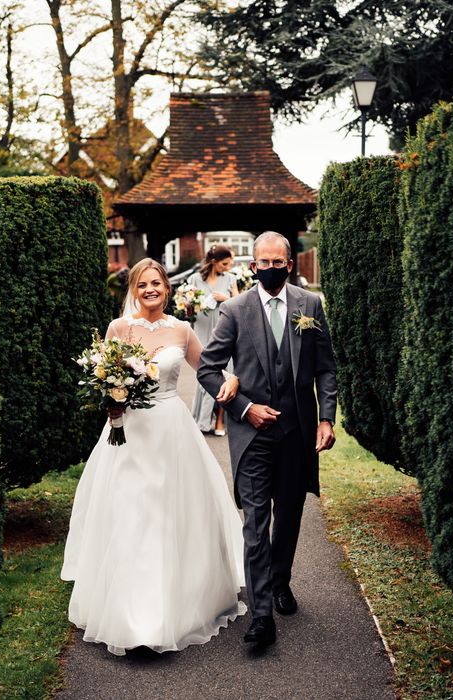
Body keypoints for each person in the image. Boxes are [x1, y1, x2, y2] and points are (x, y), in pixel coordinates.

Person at [61, 258, 246, 656]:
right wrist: (110, 402)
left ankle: (171, 607)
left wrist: (231, 378)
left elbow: (207, 367)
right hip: (127, 433)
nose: (150, 290)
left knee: (169, 514)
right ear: (133, 288)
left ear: (167, 288)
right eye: (142, 284)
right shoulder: (119, 328)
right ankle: (130, 613)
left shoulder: (180, 329)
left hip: (171, 434)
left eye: (156, 284)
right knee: (130, 513)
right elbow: (103, 377)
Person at [197, 231, 337, 647]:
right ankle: (261, 617)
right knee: (256, 526)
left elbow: (325, 368)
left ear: (289, 265)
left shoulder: (309, 305)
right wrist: (243, 407)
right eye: (264, 262)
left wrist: (326, 419)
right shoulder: (236, 311)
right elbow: (208, 369)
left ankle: (280, 582)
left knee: (289, 518)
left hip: (296, 433)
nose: (272, 268)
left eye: (279, 262)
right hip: (252, 434)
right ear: (253, 265)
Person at [187, 244, 239, 435]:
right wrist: (190, 303)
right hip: (201, 330)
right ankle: (202, 419)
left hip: (224, 331)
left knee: (225, 375)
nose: (228, 266)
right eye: (225, 263)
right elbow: (187, 309)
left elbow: (239, 303)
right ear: (214, 262)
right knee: (203, 374)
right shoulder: (194, 279)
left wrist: (225, 298)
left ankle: (219, 421)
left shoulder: (230, 278)